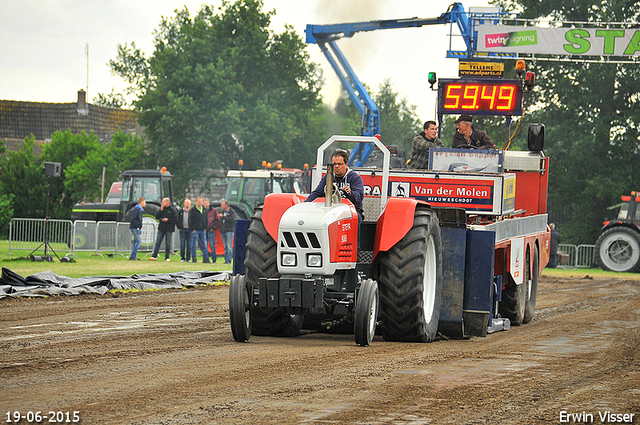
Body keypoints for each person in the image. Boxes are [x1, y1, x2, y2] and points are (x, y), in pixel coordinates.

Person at [306, 149, 365, 224]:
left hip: (351, 211)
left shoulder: (355, 178)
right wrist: (305, 205)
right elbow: (317, 193)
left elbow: (359, 197)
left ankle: (356, 236)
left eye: (340, 164)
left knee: (356, 219)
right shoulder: (328, 178)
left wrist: (350, 193)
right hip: (331, 210)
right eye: (334, 164)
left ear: (346, 164)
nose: (336, 166)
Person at [150, 197, 177, 261]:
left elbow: (175, 219)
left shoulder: (172, 210)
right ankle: (154, 256)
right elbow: (157, 216)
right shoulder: (162, 209)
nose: (162, 203)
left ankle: (167, 257)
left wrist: (168, 220)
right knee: (158, 242)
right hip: (161, 228)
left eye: (163, 202)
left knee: (167, 243)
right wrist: (161, 210)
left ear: (167, 202)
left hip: (169, 229)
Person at [189, 196, 210, 263]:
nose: (200, 203)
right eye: (199, 201)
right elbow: (190, 219)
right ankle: (194, 258)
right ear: (196, 202)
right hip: (196, 230)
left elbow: (206, 219)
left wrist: (205, 228)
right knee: (194, 244)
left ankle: (206, 258)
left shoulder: (204, 210)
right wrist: (192, 228)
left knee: (204, 244)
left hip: (202, 230)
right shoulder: (193, 210)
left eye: (201, 201)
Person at [219, 199, 236, 264]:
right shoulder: (223, 211)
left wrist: (223, 217)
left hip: (229, 231)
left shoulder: (231, 212)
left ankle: (229, 260)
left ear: (226, 205)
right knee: (225, 246)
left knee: (229, 246)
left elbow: (232, 220)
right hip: (223, 231)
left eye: (222, 205)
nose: (221, 206)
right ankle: (226, 259)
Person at [204, 198, 220, 263]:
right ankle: (206, 258)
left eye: (206, 203)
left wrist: (213, 228)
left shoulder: (213, 211)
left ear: (209, 203)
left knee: (212, 244)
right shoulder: (202, 211)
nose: (205, 204)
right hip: (204, 230)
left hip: (210, 230)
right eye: (204, 203)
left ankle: (214, 258)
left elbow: (217, 220)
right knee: (204, 245)